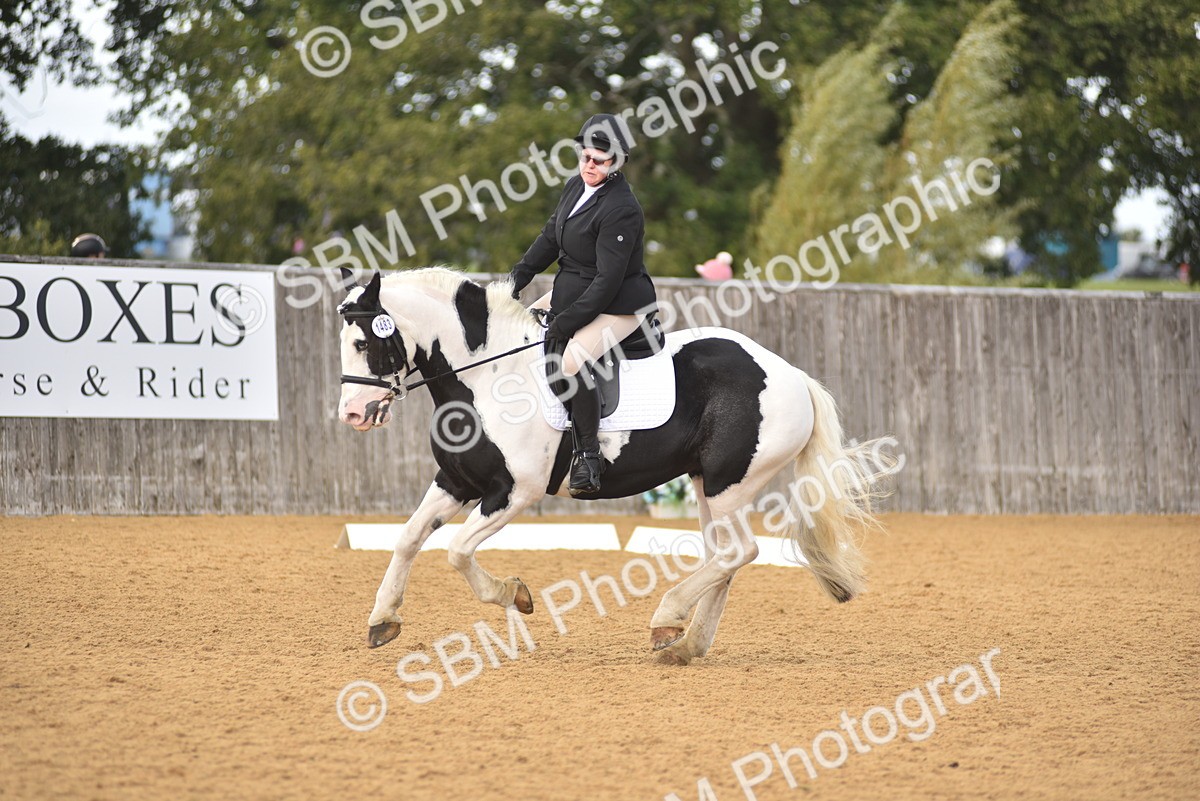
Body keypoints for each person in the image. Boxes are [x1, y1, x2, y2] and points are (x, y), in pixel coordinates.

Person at [509, 113, 657, 496]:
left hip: (619, 305)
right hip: (573, 290)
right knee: (522, 325)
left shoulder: (621, 208)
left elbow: (607, 281)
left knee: (572, 360)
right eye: (585, 157)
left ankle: (589, 457)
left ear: (617, 162)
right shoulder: (576, 187)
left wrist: (567, 320)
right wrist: (517, 278)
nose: (590, 165)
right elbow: (548, 237)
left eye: (599, 160)